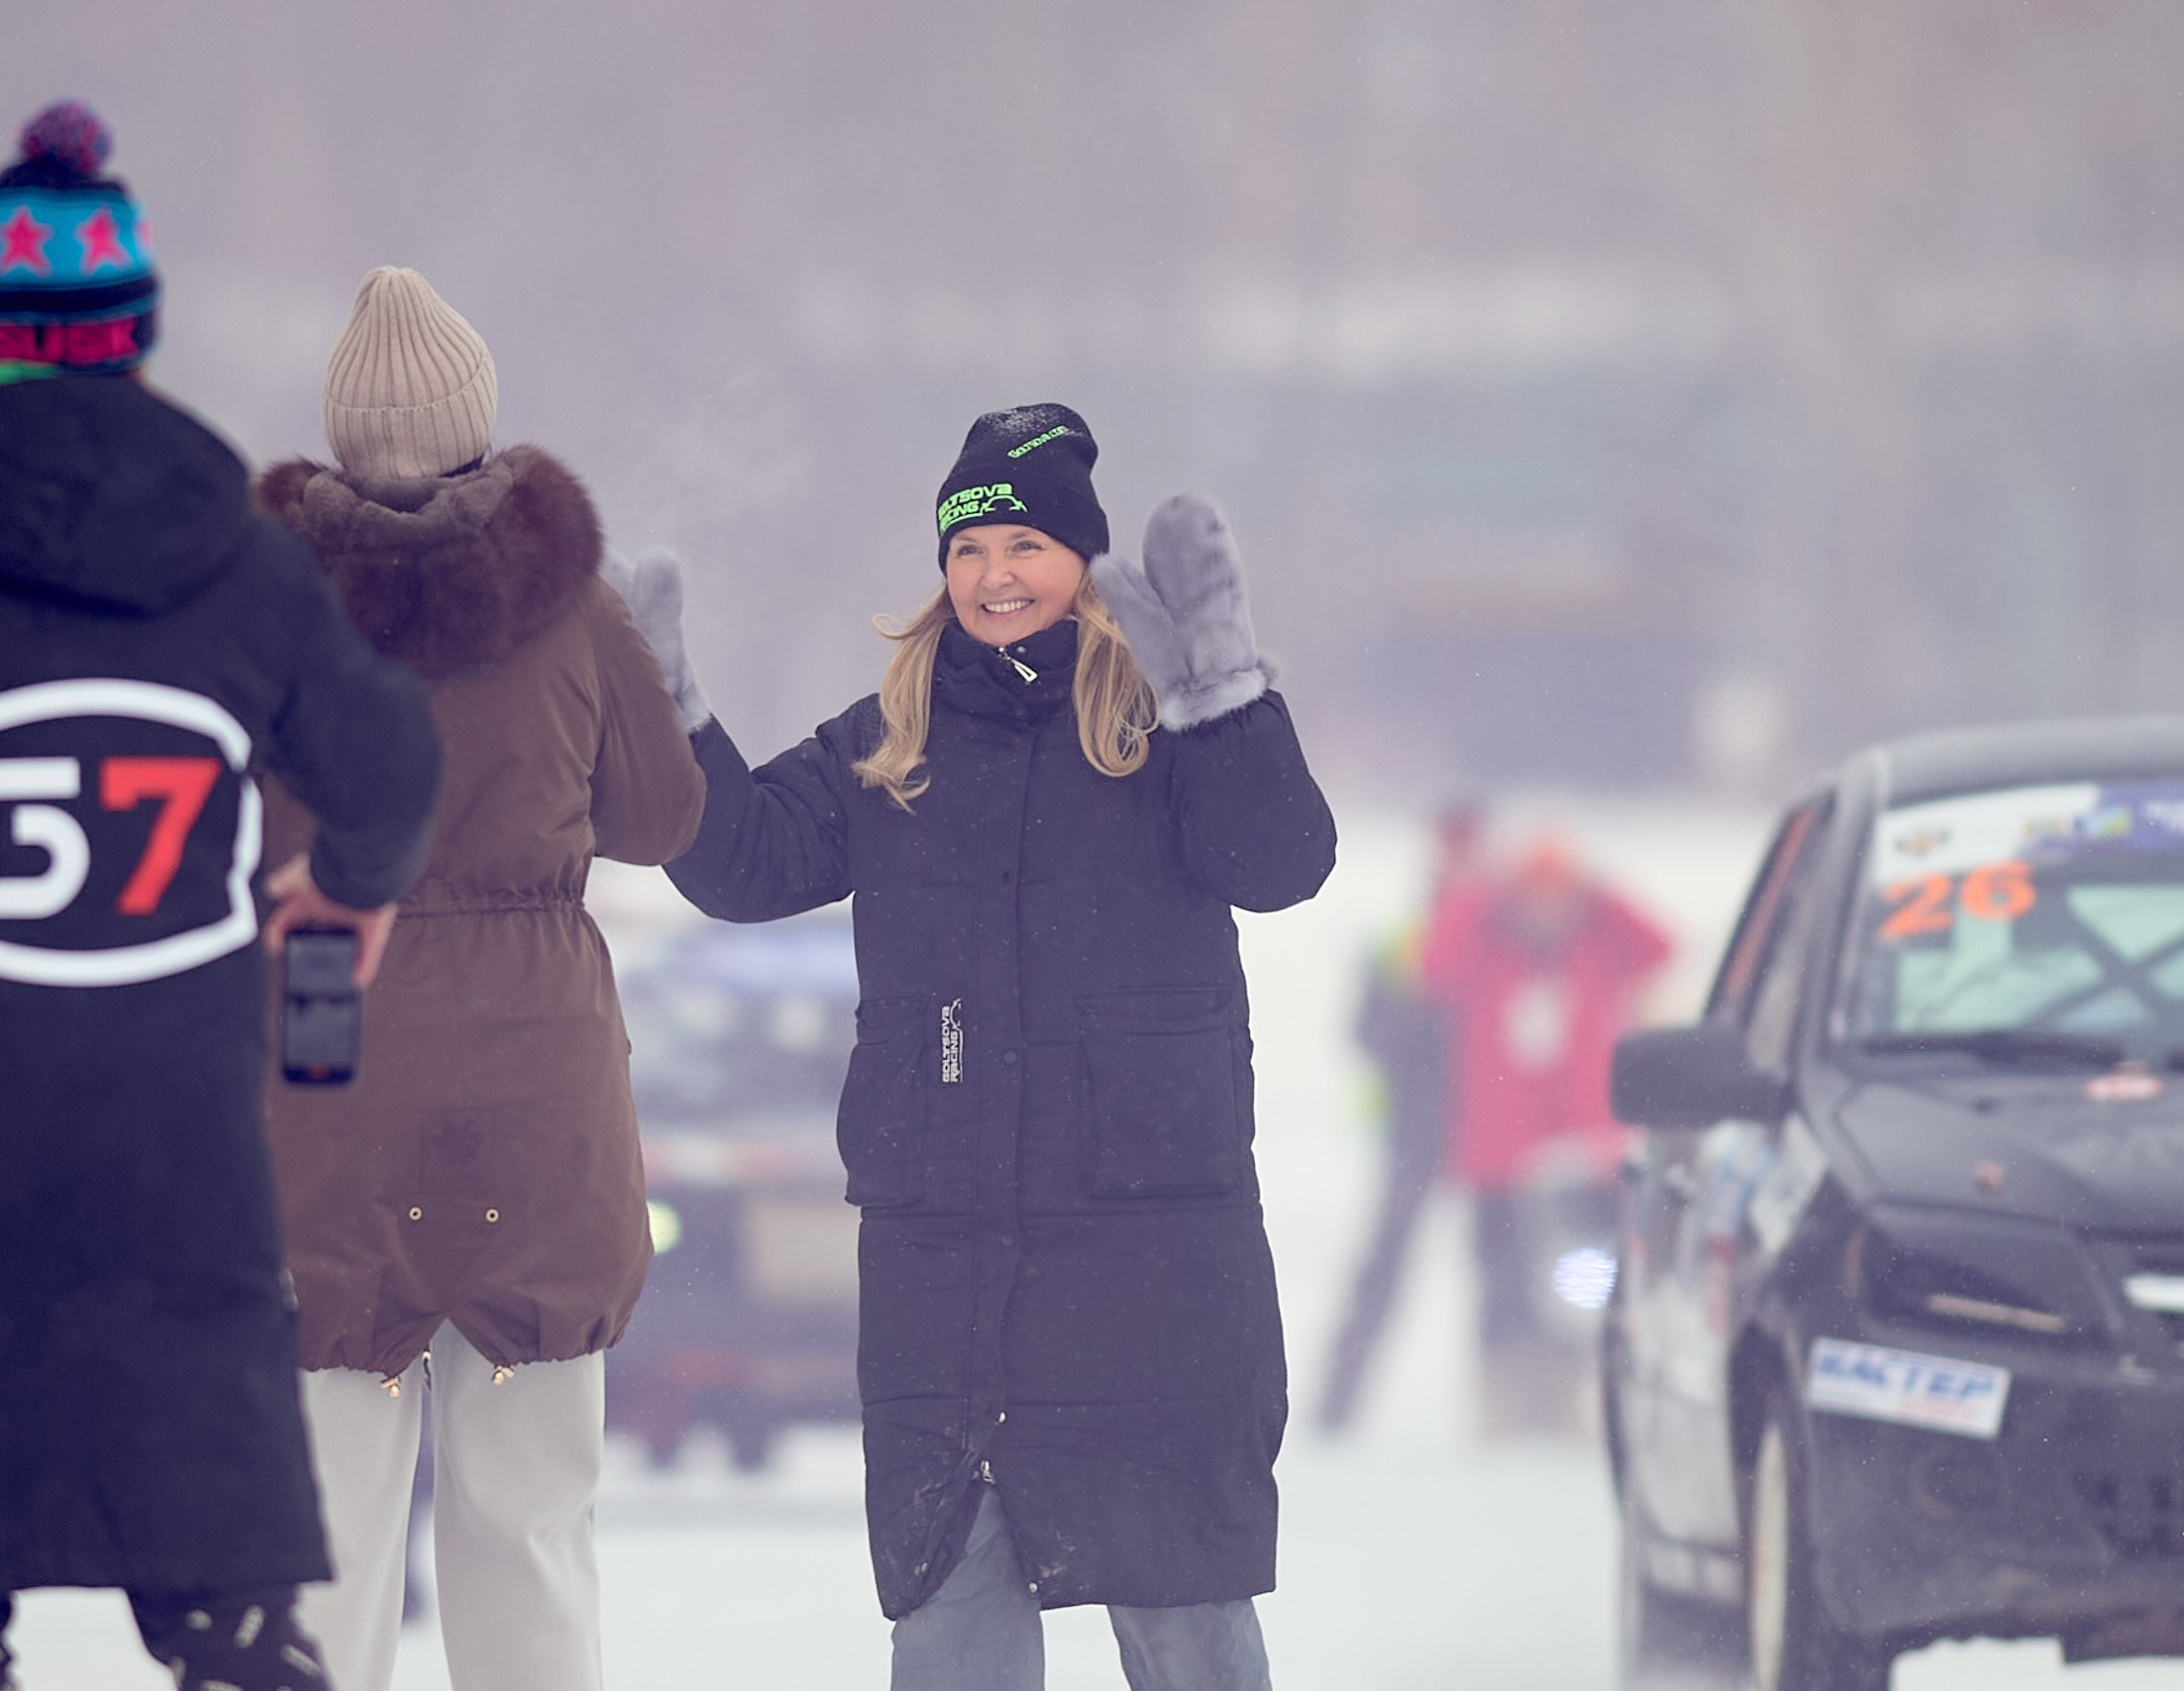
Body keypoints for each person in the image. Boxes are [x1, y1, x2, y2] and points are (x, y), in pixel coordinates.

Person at [0, 105, 442, 1691]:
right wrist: (344, 884)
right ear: (134, 338)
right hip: (173, 1165)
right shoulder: (245, 569)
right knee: (236, 1627)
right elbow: (389, 761)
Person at [639, 404, 1334, 1691]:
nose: (994, 574)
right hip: (952, 1278)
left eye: (1024, 542)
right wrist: (667, 712)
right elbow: (742, 860)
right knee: (953, 1624)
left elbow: (1282, 860)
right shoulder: (895, 736)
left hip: (1151, 1272)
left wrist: (1226, 691)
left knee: (1186, 1618)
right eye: (968, 549)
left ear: (1085, 558)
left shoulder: (1161, 724)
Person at [256, 266, 707, 1691]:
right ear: (475, 419)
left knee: (317, 1547)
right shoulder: (574, 614)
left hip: (329, 1070)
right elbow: (660, 819)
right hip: (534, 1097)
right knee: (529, 1539)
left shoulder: (262, 622)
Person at [1421, 835, 1671, 1432]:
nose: (1545, 910)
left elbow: (1660, 946)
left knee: (1582, 1284)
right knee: (1501, 1282)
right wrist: (1481, 892)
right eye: (1532, 896)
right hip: (1498, 1158)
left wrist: (1600, 891)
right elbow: (1434, 962)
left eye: (1557, 896)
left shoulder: (1597, 950)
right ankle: (1503, 1399)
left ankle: (1567, 1394)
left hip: (1581, 1157)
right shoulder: (1484, 950)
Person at [1314, 802, 1482, 1432]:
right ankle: (1337, 1407)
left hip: (1481, 1130)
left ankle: (1519, 1414)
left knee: (1505, 1271)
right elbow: (1365, 1030)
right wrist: (1411, 1018)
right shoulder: (1406, 939)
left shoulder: (1497, 932)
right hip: (1418, 1130)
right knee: (1383, 1274)